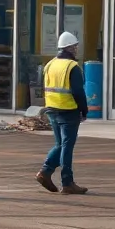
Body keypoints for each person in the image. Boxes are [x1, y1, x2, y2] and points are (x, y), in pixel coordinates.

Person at [36, 31, 88, 195]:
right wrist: (84, 110)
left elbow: (41, 85)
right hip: (68, 110)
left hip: (52, 109)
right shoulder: (72, 67)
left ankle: (46, 172)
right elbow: (78, 91)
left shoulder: (50, 64)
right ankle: (67, 182)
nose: (77, 49)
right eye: (75, 46)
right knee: (67, 146)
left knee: (60, 144)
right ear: (70, 48)